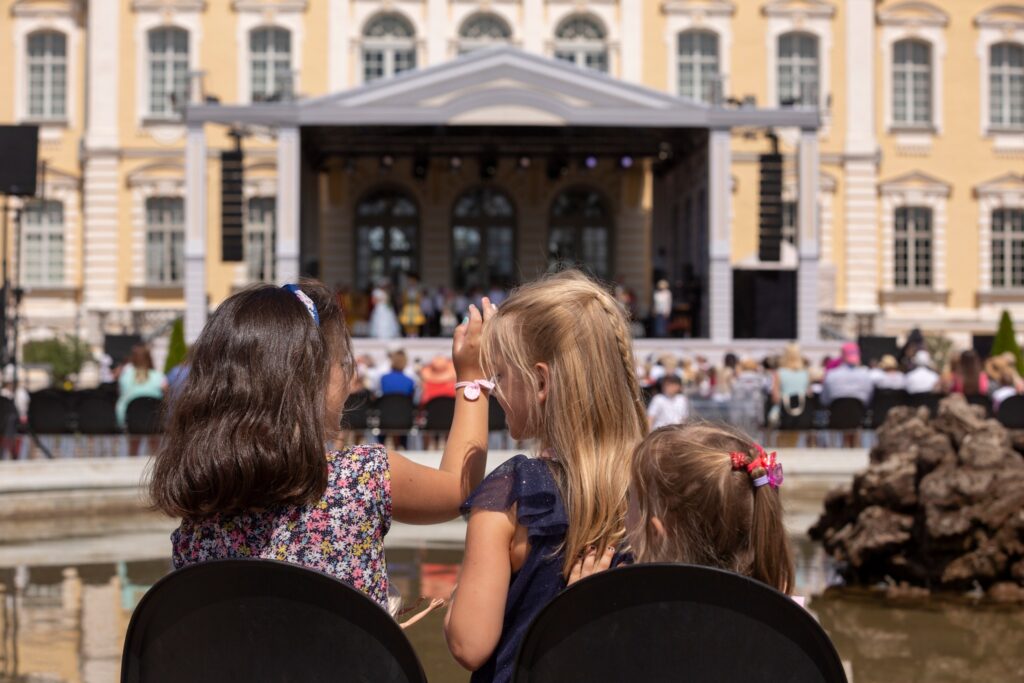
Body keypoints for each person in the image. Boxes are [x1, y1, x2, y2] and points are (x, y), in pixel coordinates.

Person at [150, 282, 492, 617]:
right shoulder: (362, 477)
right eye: (343, 362)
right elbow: (460, 488)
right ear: (309, 379)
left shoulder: (199, 505)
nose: (350, 374)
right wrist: (473, 380)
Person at [444, 270, 647, 683]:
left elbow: (469, 645)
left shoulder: (516, 490)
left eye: (500, 375)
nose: (496, 389)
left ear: (540, 381)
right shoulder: (653, 486)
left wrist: (454, 606)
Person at [568, 423, 794, 597]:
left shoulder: (640, 621)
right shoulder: (783, 619)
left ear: (657, 535)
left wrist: (583, 609)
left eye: (629, 499)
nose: (623, 511)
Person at [116, 344, 165, 429]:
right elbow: (166, 398)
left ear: (133, 359)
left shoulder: (124, 376)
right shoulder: (159, 377)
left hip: (128, 421)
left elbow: (120, 394)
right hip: (153, 422)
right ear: (149, 358)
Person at [772, 343, 810, 431]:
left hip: (784, 414)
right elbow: (808, 393)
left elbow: (775, 398)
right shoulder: (806, 373)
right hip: (803, 414)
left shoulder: (779, 372)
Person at [821, 342, 873, 407]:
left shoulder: (831, 375)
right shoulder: (866, 375)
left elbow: (824, 400)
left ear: (842, 355)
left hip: (836, 415)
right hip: (858, 415)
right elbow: (868, 400)